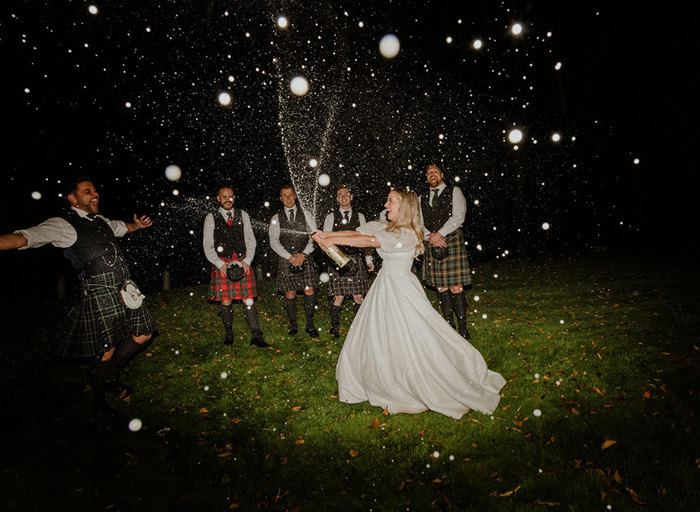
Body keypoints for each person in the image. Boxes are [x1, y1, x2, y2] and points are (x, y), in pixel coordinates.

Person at [312, 187, 504, 419]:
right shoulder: (389, 227)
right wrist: (326, 235)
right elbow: (356, 232)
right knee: (382, 333)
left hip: (401, 290)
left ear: (405, 206)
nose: (386, 204)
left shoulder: (409, 233)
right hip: (384, 286)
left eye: (391, 201)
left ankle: (424, 375)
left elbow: (368, 241)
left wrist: (329, 237)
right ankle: (383, 372)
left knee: (415, 334)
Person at [0, 177, 156, 419]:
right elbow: (24, 238)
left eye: (95, 190)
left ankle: (111, 375)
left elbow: (122, 227)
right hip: (99, 289)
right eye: (87, 191)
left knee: (143, 333)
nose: (95, 194)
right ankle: (99, 404)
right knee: (106, 349)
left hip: (126, 286)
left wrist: (137, 226)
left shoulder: (101, 221)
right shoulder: (62, 225)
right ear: (73, 198)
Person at [202, 185, 269, 348]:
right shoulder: (211, 217)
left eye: (230, 196)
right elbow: (207, 245)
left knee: (249, 300)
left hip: (242, 261)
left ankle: (256, 335)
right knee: (225, 300)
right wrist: (219, 264)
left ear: (235, 197)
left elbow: (251, 241)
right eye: (224, 197)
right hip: (222, 263)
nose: (227, 199)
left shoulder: (243, 215)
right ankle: (229, 334)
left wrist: (247, 261)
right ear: (218, 198)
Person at [420, 164, 472, 338]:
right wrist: (429, 236)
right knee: (441, 287)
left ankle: (463, 327)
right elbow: (418, 222)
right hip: (431, 242)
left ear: (442, 174)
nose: (431, 175)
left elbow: (459, 215)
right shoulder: (421, 197)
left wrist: (439, 234)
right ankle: (449, 326)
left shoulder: (454, 191)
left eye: (435, 172)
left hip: (451, 239)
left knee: (456, 286)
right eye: (428, 173)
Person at [321, 185, 375, 338]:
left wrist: (368, 259)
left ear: (351, 197)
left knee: (359, 296)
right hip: (338, 260)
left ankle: (360, 327)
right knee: (339, 296)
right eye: (340, 194)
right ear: (337, 198)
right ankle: (334, 328)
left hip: (356, 259)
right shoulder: (330, 217)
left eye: (346, 194)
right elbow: (326, 241)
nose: (343, 197)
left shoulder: (361, 216)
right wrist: (338, 259)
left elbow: (365, 240)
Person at [268, 184, 320, 338]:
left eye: (290, 195)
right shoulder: (276, 218)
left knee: (309, 290)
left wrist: (304, 254)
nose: (288, 198)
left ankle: (310, 325)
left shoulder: (307, 215)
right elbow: (274, 242)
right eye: (284, 196)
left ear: (295, 196)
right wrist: (290, 257)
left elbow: (314, 236)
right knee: (290, 292)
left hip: (305, 256)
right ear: (280, 198)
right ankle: (293, 325)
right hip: (286, 258)